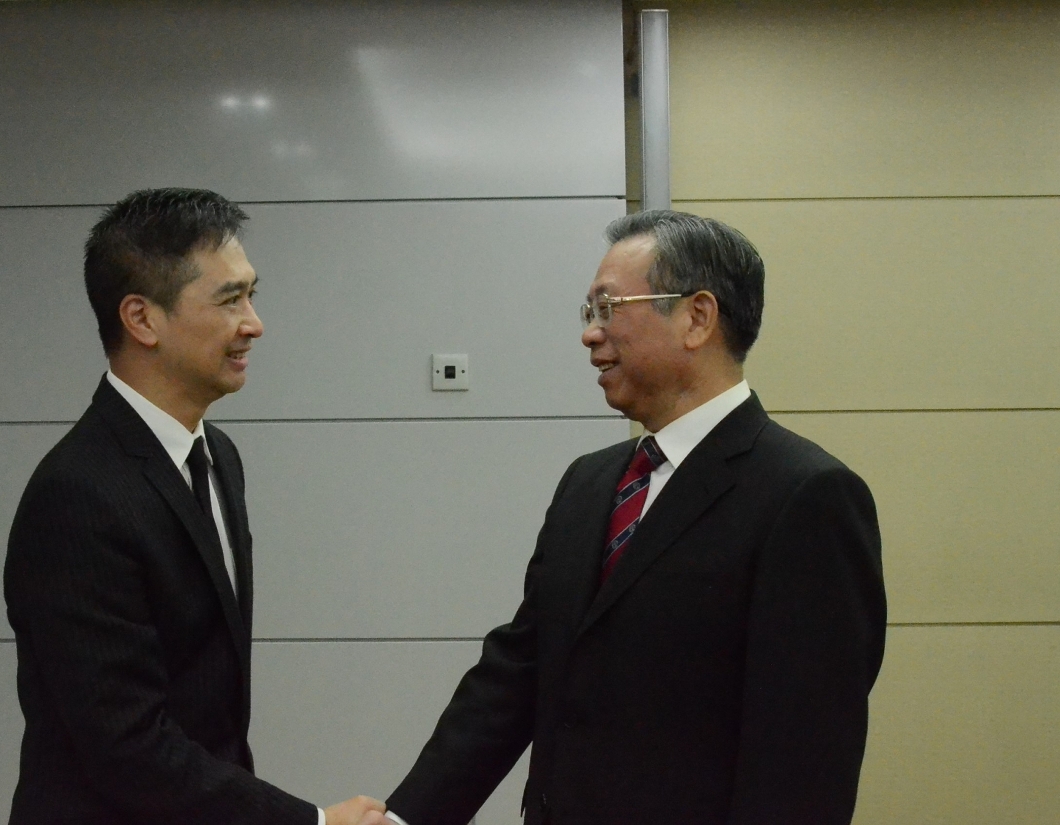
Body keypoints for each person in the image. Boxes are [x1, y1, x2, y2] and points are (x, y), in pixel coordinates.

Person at [370, 210, 887, 825]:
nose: (590, 334)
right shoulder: (590, 482)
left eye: (608, 307)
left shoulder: (806, 497)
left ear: (697, 317)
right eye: (588, 313)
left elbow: (805, 761)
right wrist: (404, 819)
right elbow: (518, 673)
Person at [4, 188, 383, 825]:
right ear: (142, 319)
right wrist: (310, 823)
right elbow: (125, 746)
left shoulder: (218, 456)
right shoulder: (77, 495)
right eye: (230, 299)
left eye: (251, 294)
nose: (254, 323)